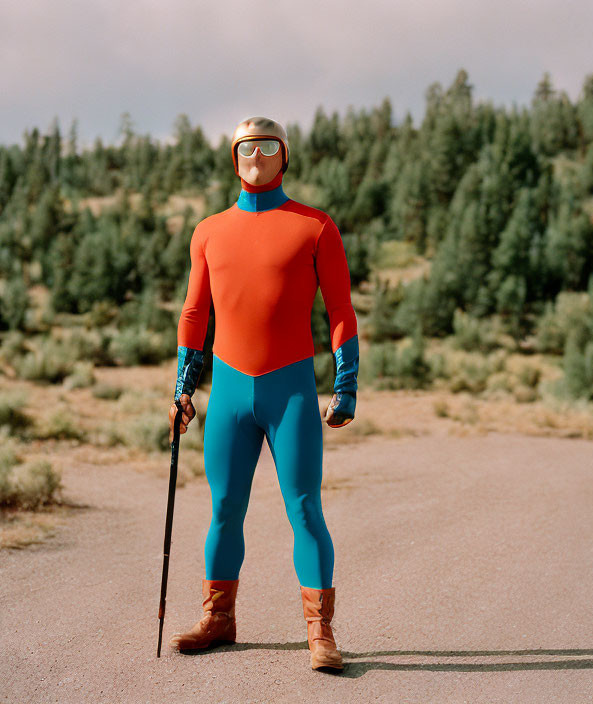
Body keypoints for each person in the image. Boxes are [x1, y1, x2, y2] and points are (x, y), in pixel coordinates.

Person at [166, 116, 359, 671]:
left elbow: (340, 311)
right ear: (234, 158)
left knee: (304, 508)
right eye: (246, 146)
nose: (257, 154)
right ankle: (218, 619)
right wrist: (183, 385)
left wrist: (345, 385)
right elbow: (194, 313)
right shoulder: (208, 231)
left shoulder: (315, 227)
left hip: (291, 388)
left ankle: (320, 632)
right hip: (227, 391)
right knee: (224, 507)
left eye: (268, 145)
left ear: (284, 156)